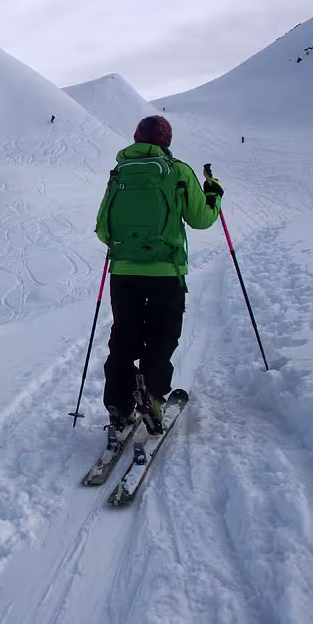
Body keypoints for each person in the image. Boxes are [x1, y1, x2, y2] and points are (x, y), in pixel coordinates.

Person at [94, 115, 223, 435]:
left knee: (124, 337)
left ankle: (118, 406)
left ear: (136, 138)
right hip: (166, 273)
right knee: (162, 337)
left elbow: (102, 228)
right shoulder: (178, 171)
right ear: (166, 141)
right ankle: (151, 397)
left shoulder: (118, 173)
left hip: (123, 272)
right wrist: (214, 194)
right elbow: (201, 219)